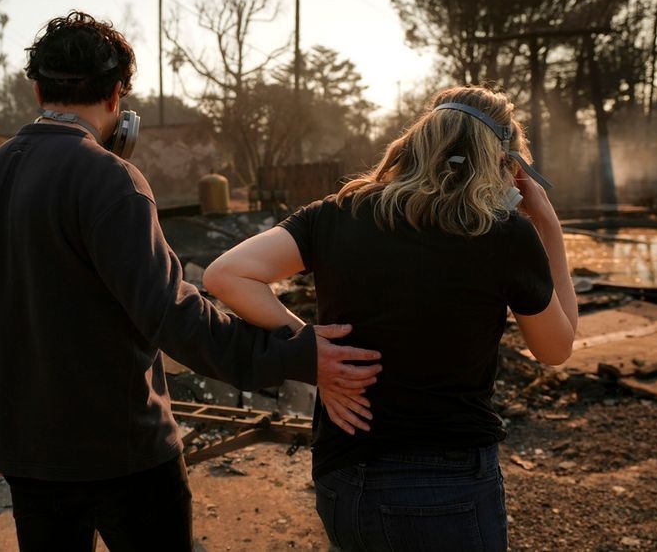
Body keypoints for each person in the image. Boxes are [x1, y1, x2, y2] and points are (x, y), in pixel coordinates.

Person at [0, 12, 381, 552]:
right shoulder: (109, 178)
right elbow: (174, 316)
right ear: (116, 96)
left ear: (37, 89)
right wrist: (297, 353)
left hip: (29, 457)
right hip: (123, 453)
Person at [203, 85, 578, 551]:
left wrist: (309, 346)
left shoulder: (338, 212)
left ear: (418, 144)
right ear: (503, 165)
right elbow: (556, 348)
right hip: (448, 483)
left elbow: (226, 275)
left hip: (343, 475)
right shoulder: (503, 234)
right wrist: (550, 228)